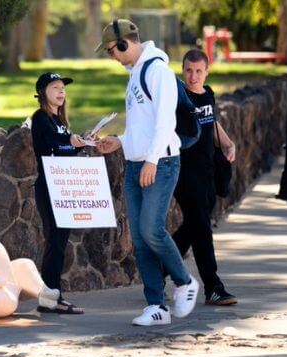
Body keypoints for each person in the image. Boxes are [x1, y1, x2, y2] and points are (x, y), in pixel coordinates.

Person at [95, 19, 198, 326]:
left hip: (161, 163)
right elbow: (142, 126)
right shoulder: (136, 74)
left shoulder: (158, 72)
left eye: (112, 50)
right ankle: (157, 306)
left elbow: (165, 123)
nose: (112, 57)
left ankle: (184, 281)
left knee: (152, 230)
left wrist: (152, 161)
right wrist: (121, 141)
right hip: (137, 162)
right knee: (140, 239)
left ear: (125, 43)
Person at [171, 49, 237, 306]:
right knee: (201, 228)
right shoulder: (178, 97)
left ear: (206, 71)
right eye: (188, 70)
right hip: (183, 172)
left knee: (193, 226)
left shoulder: (207, 94)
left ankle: (161, 269)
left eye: (198, 71)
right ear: (182, 69)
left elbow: (211, 123)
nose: (193, 76)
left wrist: (228, 143)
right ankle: (213, 286)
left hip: (208, 170)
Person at [31, 72, 87, 314]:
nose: (61, 92)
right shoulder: (41, 118)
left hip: (63, 186)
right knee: (55, 241)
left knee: (60, 242)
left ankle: (51, 297)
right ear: (43, 92)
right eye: (55, 87)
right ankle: (52, 297)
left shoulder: (60, 122)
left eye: (63, 88)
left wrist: (82, 143)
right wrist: (71, 143)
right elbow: (51, 147)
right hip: (49, 187)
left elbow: (66, 150)